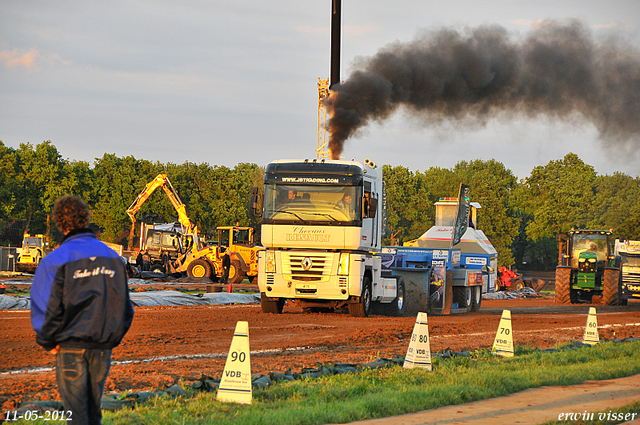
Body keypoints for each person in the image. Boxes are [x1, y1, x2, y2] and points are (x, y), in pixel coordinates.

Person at [30, 195, 134, 425]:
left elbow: (44, 305)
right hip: (102, 348)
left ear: (60, 223)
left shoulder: (55, 260)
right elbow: (126, 308)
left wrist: (48, 341)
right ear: (86, 218)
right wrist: (110, 338)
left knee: (76, 415)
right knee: (93, 412)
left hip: (69, 347)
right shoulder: (113, 257)